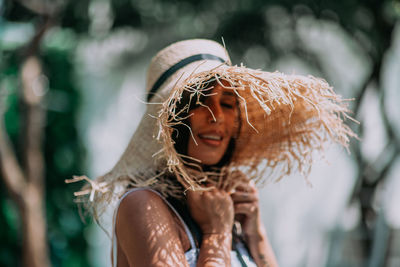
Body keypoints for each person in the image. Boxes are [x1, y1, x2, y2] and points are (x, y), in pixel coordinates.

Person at [67, 39, 356, 267]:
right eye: (199, 101)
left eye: (228, 104)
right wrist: (216, 234)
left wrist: (255, 233)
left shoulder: (228, 206)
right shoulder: (143, 205)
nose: (216, 115)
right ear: (172, 119)